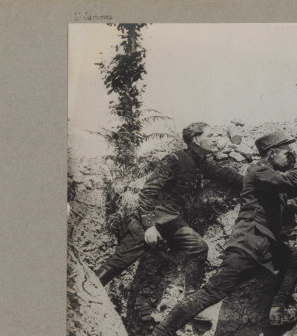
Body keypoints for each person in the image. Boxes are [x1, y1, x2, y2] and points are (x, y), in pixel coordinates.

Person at [134, 129, 297, 336]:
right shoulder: (258, 170)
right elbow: (293, 182)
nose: (290, 159)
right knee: (209, 294)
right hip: (247, 247)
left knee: (296, 258)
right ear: (271, 154)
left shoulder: (270, 177)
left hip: (265, 247)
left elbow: (293, 187)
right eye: (286, 154)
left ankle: (277, 310)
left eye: (292, 156)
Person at [94, 122, 243, 321]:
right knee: (120, 262)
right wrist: (149, 226)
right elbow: (148, 193)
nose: (216, 139)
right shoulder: (174, 160)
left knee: (199, 247)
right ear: (196, 140)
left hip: (172, 222)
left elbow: (228, 176)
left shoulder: (203, 164)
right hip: (150, 220)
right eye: (210, 135)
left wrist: (257, 182)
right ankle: (86, 291)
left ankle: (191, 300)